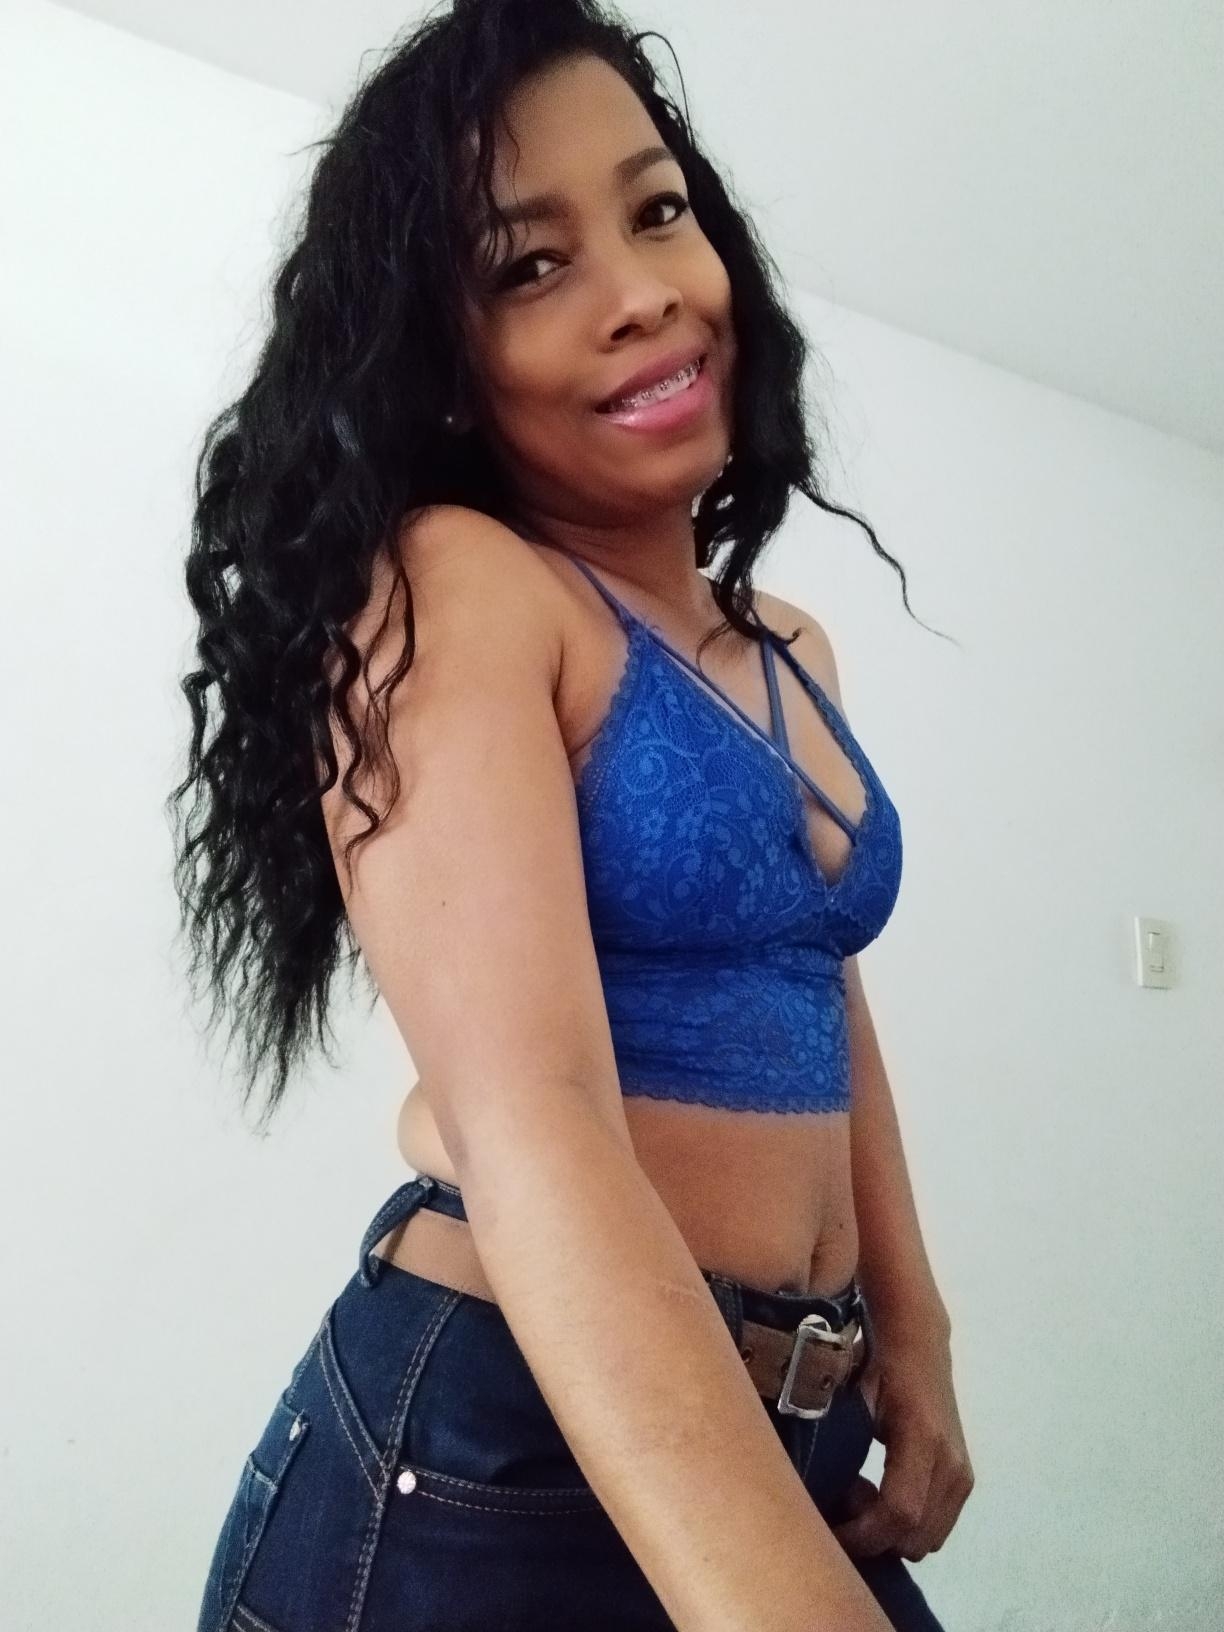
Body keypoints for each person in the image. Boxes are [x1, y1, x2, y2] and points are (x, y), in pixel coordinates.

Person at [174, 2, 972, 1627]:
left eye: (657, 210)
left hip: (786, 1419)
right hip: (503, 1437)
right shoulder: (460, 586)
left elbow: (821, 985)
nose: (642, 292)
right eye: (531, 266)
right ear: (443, 368)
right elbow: (529, 1119)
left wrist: (913, 1328)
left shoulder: (792, 650)